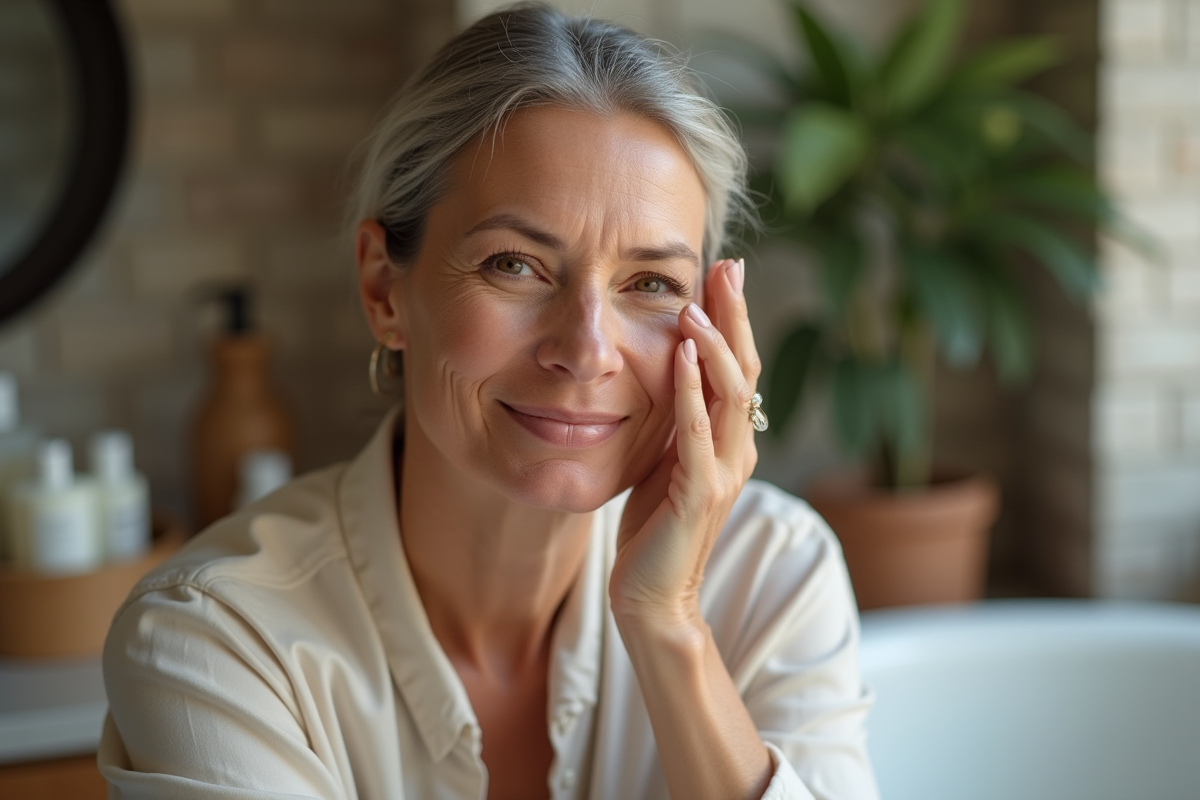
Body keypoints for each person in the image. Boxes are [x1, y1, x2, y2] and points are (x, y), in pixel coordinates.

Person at [98, 4, 879, 799]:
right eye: (515, 265)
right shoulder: (216, 637)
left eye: (650, 284)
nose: (587, 350)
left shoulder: (775, 575)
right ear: (383, 288)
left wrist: (670, 625)